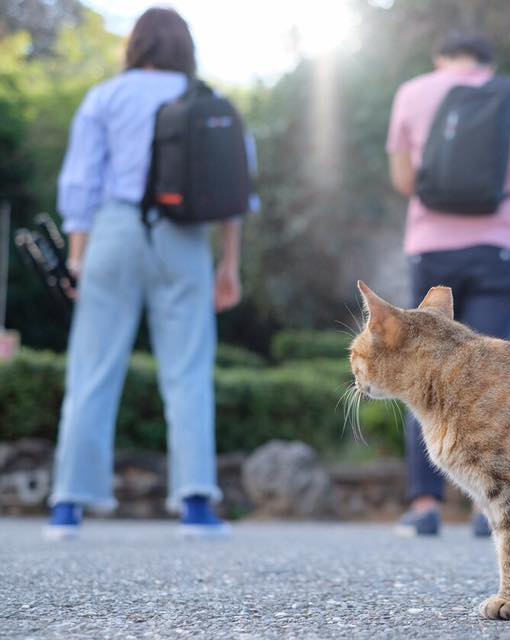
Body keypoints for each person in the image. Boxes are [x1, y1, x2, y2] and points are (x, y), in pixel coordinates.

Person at [45, 8, 253, 540]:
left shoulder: (105, 97)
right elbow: (236, 191)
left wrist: (76, 254)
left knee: (92, 368)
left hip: (113, 232)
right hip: (182, 238)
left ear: (135, 45)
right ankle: (197, 505)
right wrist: (229, 263)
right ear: (186, 47)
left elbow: (81, 181)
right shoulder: (206, 97)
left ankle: (68, 506)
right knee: (187, 371)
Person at [385, 31, 510, 537]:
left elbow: (404, 181)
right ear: (488, 60)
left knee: (421, 372)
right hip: (497, 245)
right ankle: (490, 506)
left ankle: (423, 505)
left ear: (441, 57)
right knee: (494, 373)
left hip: (432, 245)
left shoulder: (413, 93)